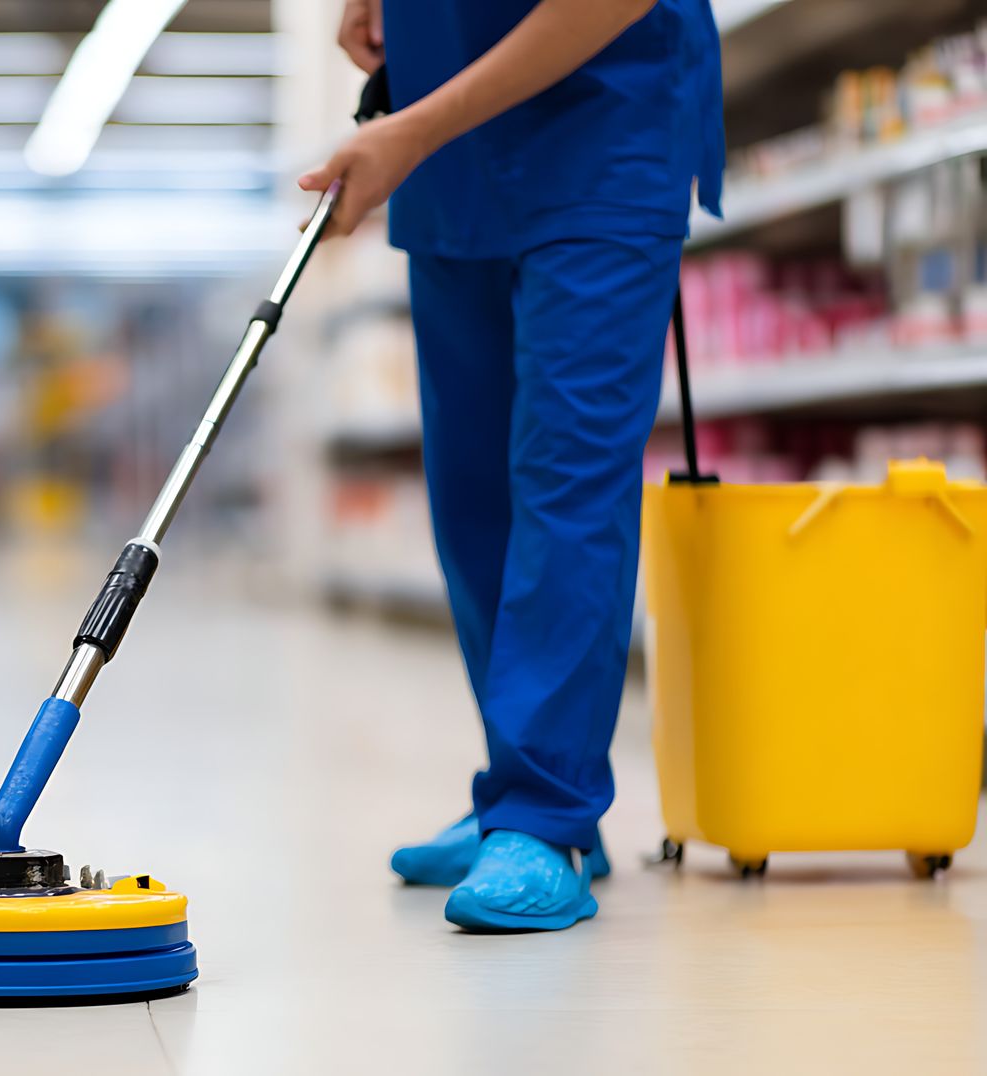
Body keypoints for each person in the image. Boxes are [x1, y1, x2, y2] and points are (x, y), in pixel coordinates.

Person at [300, 0, 723, 932]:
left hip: (602, 135)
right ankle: (527, 795)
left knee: (567, 481)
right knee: (473, 494)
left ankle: (544, 814)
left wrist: (413, 127)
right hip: (455, 170)